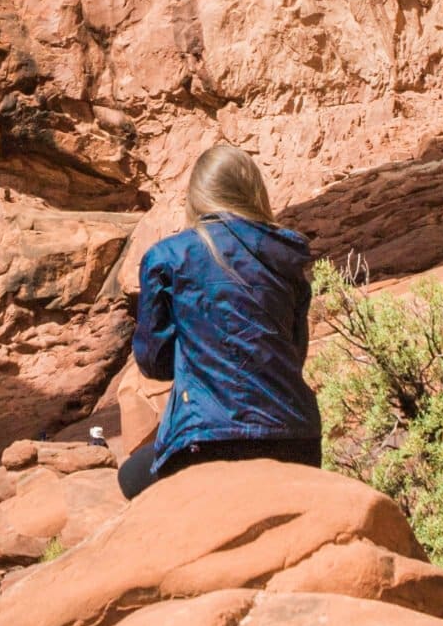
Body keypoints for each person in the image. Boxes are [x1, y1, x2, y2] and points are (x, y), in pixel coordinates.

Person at [118, 143, 321, 500]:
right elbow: (294, 353)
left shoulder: (170, 257)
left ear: (197, 196)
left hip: (207, 440)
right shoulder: (287, 259)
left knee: (131, 477)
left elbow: (154, 363)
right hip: (296, 438)